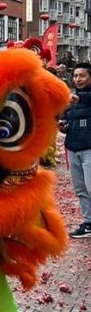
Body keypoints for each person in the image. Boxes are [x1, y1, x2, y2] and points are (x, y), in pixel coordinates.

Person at [63, 62, 91, 238]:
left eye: (82, 76)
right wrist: (63, 126)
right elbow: (68, 121)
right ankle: (88, 223)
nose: (78, 79)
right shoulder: (72, 100)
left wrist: (80, 98)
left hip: (89, 149)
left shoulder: (81, 98)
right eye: (75, 76)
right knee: (81, 189)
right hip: (73, 148)